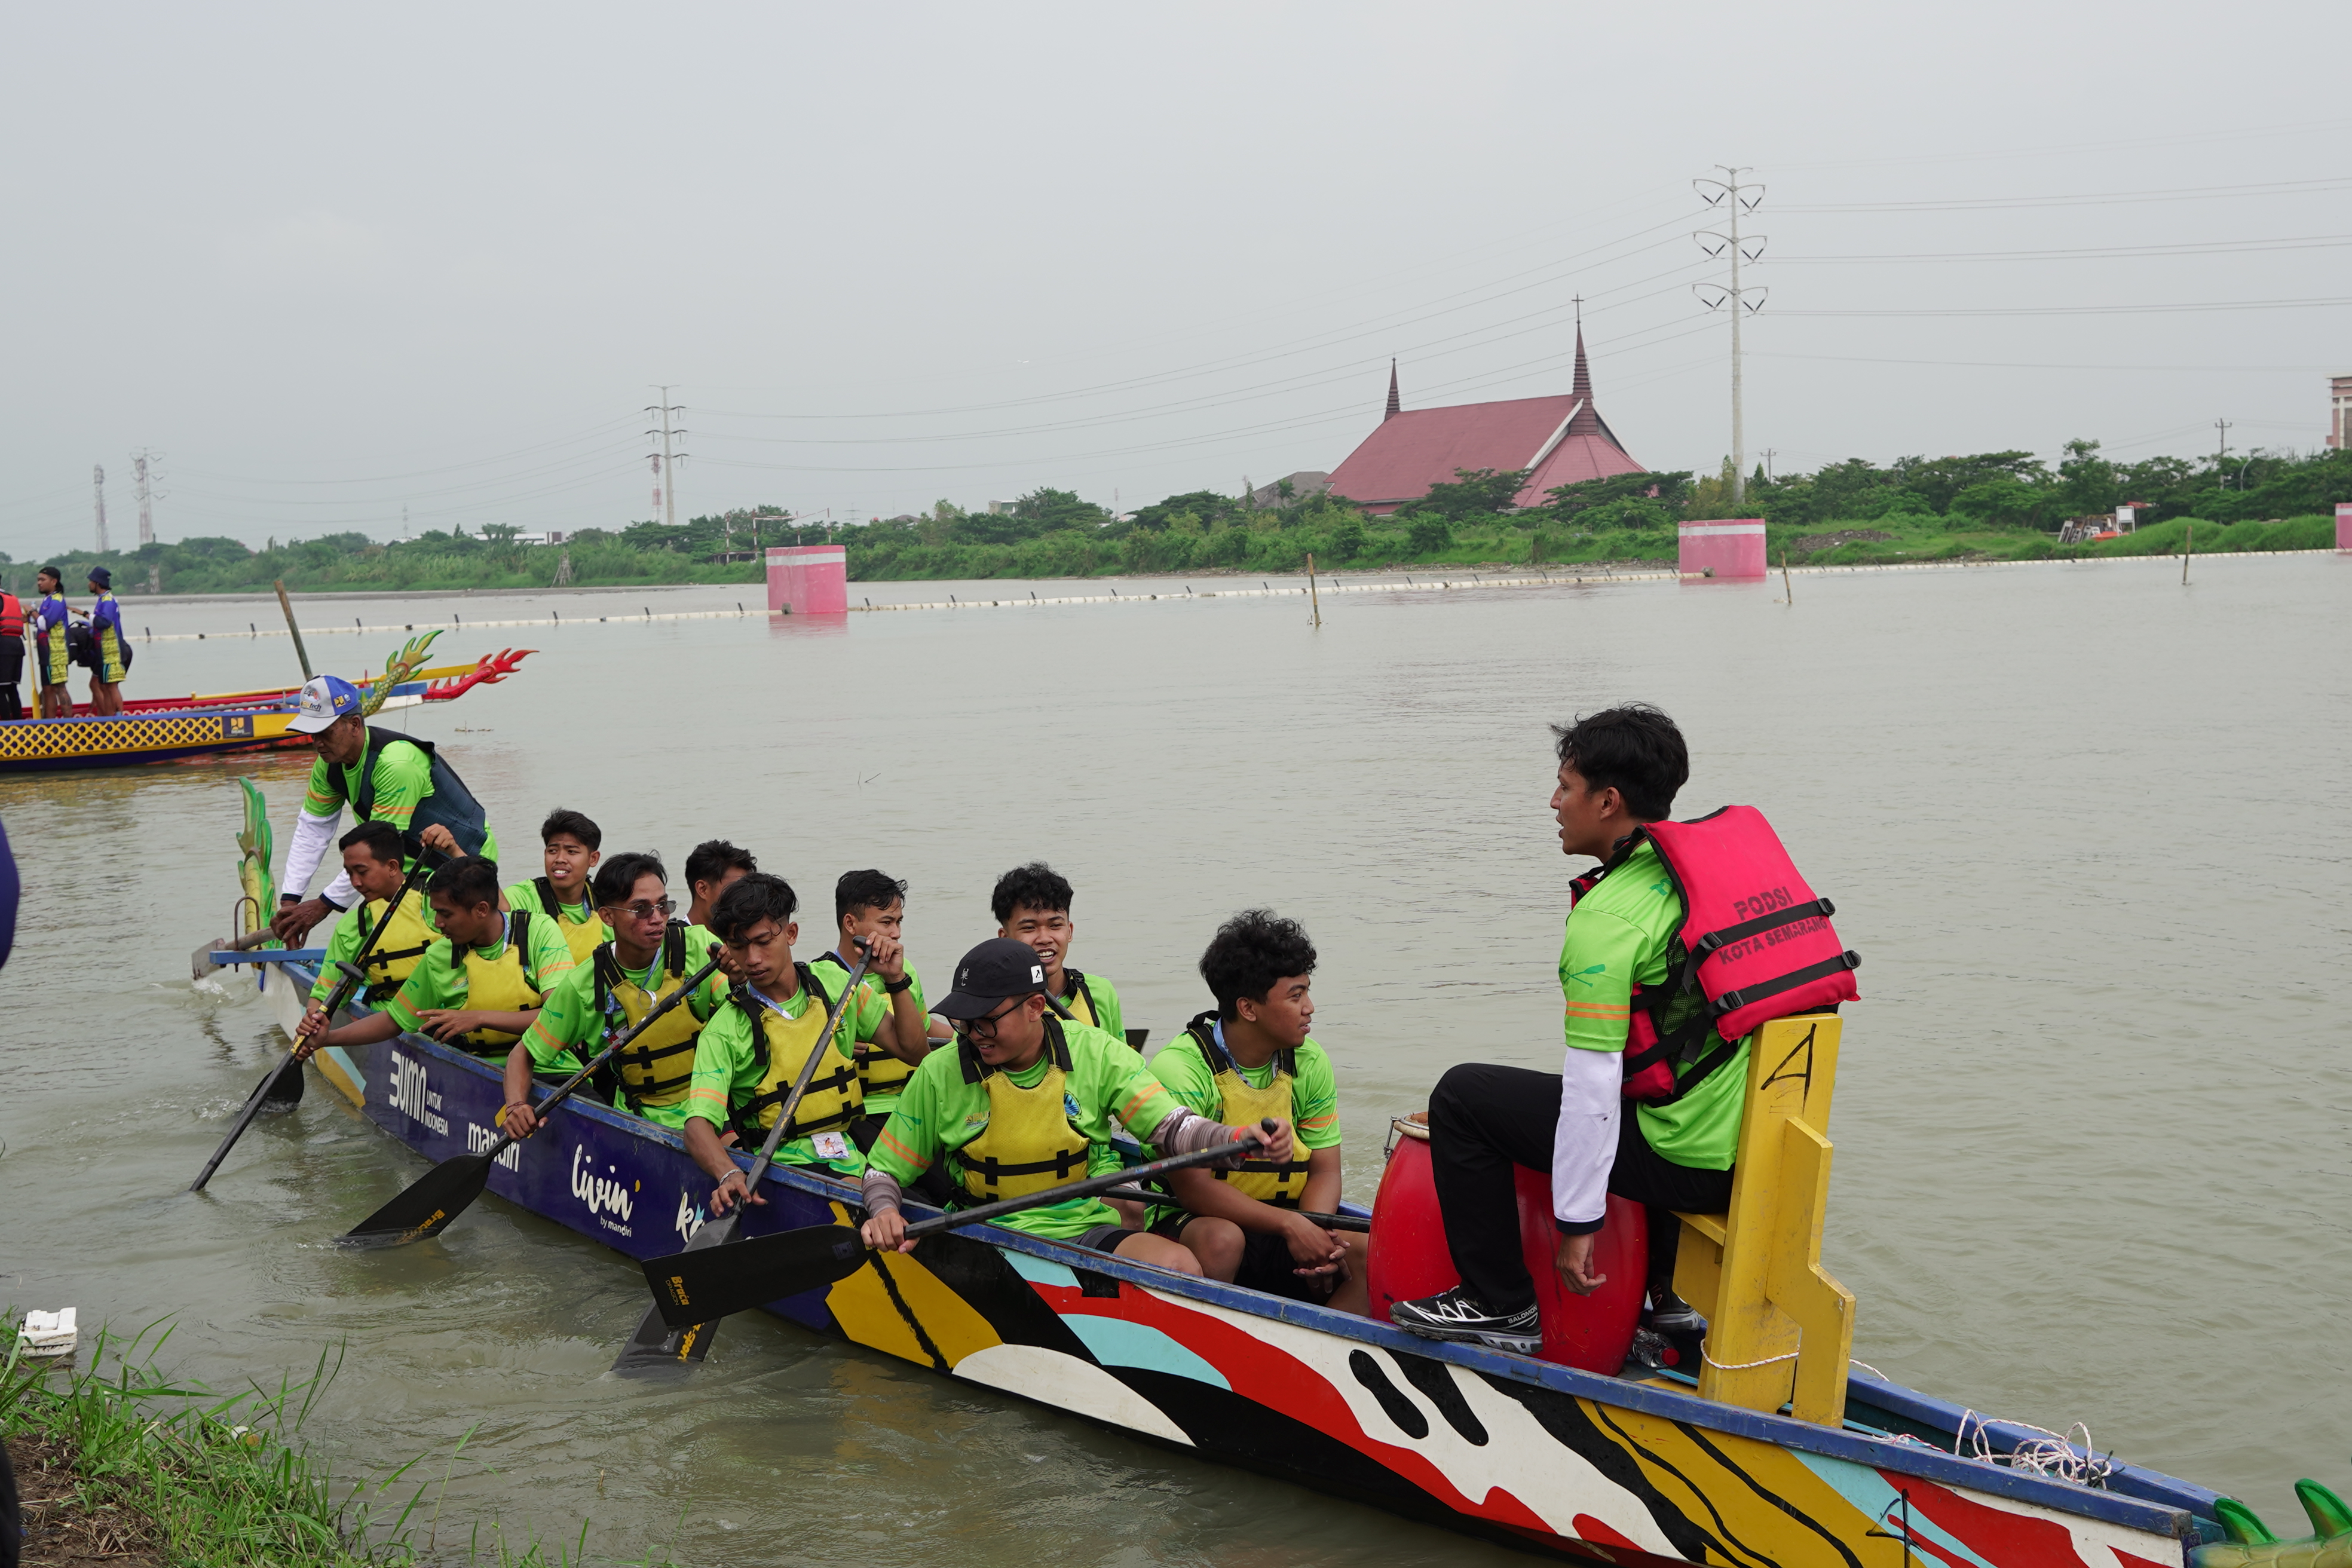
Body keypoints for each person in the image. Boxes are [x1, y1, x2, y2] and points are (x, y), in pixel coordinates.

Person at [1389, 706, 1740, 1353]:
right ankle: (1663, 1299)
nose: (1553, 802)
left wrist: (1579, 1221)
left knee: (1464, 1096)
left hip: (1686, 1157)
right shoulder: (1710, 879)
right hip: (1745, 1147)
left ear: (1608, 800)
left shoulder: (1611, 917)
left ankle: (1499, 1302)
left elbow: (1591, 1087)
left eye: (1565, 786)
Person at [859, 937, 1294, 1272]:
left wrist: (1238, 1138)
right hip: (981, 1233)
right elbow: (883, 1171)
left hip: (1081, 1228)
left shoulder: (1095, 1052)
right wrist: (882, 1212)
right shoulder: (940, 1071)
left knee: (1178, 1265)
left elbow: (1174, 1128)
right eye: (963, 1021)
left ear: (1034, 1007)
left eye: (986, 1021)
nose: (973, 1034)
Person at [1146, 911, 1368, 1313]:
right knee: (1223, 1240)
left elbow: (1324, 1170)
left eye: (1308, 992)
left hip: (1290, 1221)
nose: (1310, 1008)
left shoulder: (1311, 1061)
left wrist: (1314, 1232)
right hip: (1194, 1220)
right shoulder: (1181, 1067)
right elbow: (1193, 1189)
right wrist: (1290, 1225)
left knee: (1368, 1249)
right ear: (1248, 1008)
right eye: (1296, 996)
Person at [500, 852, 730, 1139]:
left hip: (715, 1106)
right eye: (641, 909)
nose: (657, 919)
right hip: (640, 1120)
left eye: (663, 905)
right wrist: (517, 1106)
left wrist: (741, 974)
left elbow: (746, 1006)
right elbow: (523, 1055)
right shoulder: (583, 984)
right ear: (607, 915)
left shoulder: (701, 947)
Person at [680, 872, 866, 1212]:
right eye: (739, 946)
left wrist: (896, 979)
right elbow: (697, 1125)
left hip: (848, 1149)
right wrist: (727, 1174)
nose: (752, 959)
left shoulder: (836, 984)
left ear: (791, 933)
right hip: (779, 1165)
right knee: (867, 1197)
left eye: (763, 941)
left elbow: (911, 1049)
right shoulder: (723, 1029)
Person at [271, 675, 495, 945]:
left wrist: (322, 906)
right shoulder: (328, 762)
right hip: (395, 862)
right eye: (312, 733)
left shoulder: (396, 764)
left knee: (416, 940)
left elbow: (377, 847)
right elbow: (313, 830)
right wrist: (290, 903)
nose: (316, 742)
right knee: (353, 938)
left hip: (456, 858)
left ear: (354, 724)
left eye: (325, 732)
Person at [295, 855, 575, 1061]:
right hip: (479, 1070)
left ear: (481, 909)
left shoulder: (539, 931)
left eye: (446, 914)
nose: (438, 924)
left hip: (551, 1066)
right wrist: (327, 1039)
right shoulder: (439, 955)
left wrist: (478, 1018)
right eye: (436, 912)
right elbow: (394, 1021)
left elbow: (558, 1015)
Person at [811, 869, 948, 1150]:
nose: (896, 933)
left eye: (898, 922)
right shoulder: (820, 981)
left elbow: (925, 1032)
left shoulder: (904, 970)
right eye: (886, 922)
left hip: (914, 1103)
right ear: (850, 923)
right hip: (861, 1114)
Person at [303, 822, 437, 1016]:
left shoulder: (437, 897)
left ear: (392, 866)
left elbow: (494, 915)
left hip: (449, 1018)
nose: (356, 883)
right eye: (350, 874)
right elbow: (324, 994)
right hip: (390, 1019)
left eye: (362, 872)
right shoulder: (351, 927)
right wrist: (311, 1022)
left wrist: (455, 850)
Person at [993, 861, 1122, 1038]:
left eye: (1055, 925)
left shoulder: (1100, 991)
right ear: (1005, 939)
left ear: (1070, 931)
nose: (1045, 938)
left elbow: (1122, 1061)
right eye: (1030, 928)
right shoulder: (987, 1002)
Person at [503, 808, 610, 966]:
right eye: (553, 851)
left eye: (571, 852)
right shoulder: (520, 897)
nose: (560, 859)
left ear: (593, 859)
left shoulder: (607, 903)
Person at [684, 840, 757, 929]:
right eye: (735, 890)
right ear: (703, 889)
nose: (745, 899)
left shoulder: (745, 939)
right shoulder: (673, 940)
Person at [82, 567, 125, 715]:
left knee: (112, 686)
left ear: (97, 583)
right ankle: (109, 720)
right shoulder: (103, 599)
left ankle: (119, 721)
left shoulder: (108, 600)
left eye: (91, 582)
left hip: (111, 649)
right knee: (105, 686)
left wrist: (86, 615)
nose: (89, 585)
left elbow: (105, 622)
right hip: (103, 649)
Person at [30, 566, 72, 719]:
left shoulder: (57, 600)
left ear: (54, 582)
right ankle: (49, 725)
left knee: (59, 688)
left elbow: (45, 624)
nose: (39, 583)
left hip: (56, 652)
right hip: (46, 651)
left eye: (43, 580)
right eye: (38, 580)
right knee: (47, 689)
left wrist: (32, 612)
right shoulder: (48, 600)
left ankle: (69, 726)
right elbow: (38, 620)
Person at [0, 575, 25, 721]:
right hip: (17, 645)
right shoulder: (11, 598)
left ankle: (7, 727)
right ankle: (18, 723)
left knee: (1, 689)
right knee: (12, 689)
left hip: (3, 646)